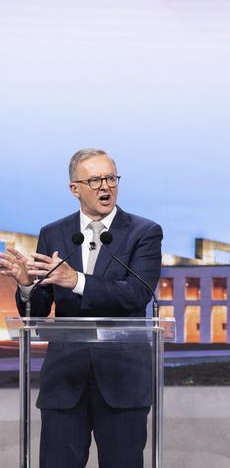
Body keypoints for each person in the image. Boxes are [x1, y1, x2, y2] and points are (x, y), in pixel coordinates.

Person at [0, 149, 163, 468]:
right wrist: (26, 286)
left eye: (111, 178)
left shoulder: (144, 232)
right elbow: (38, 313)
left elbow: (135, 294)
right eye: (95, 180)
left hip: (122, 380)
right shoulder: (53, 233)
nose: (106, 187)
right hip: (65, 379)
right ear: (75, 188)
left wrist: (75, 280)